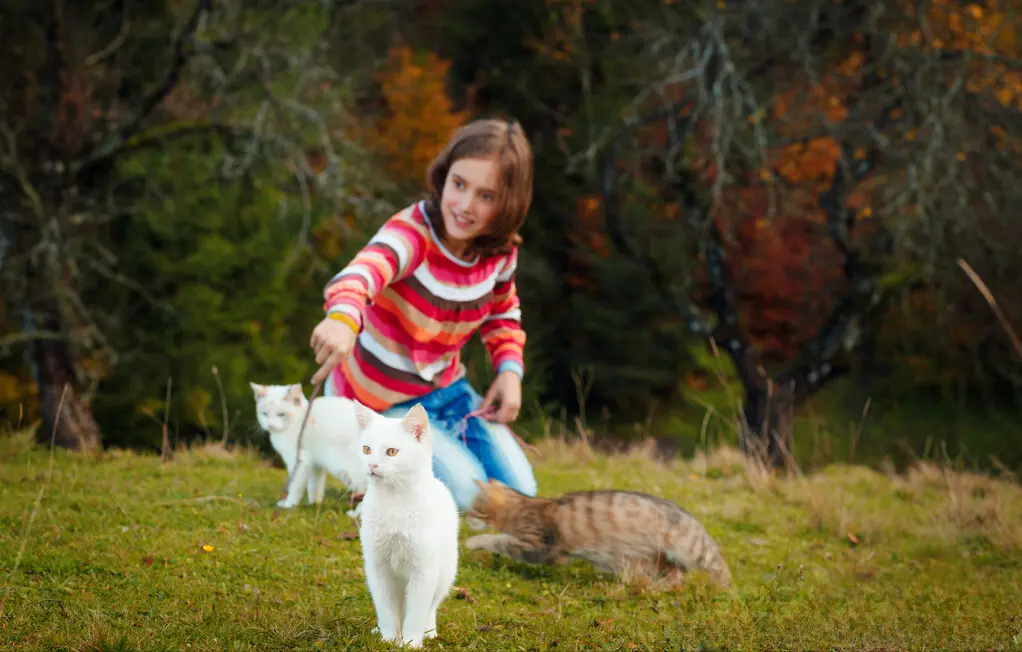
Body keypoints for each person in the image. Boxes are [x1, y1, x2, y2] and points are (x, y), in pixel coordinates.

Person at [308, 117, 538, 513]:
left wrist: (509, 372)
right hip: (382, 403)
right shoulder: (413, 233)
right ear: (444, 176)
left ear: (508, 203)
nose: (465, 205)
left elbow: (503, 314)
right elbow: (364, 272)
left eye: (486, 196)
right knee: (466, 498)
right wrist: (343, 319)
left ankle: (422, 460)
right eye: (459, 184)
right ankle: (368, 475)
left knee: (521, 495)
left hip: (449, 394)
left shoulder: (499, 254)